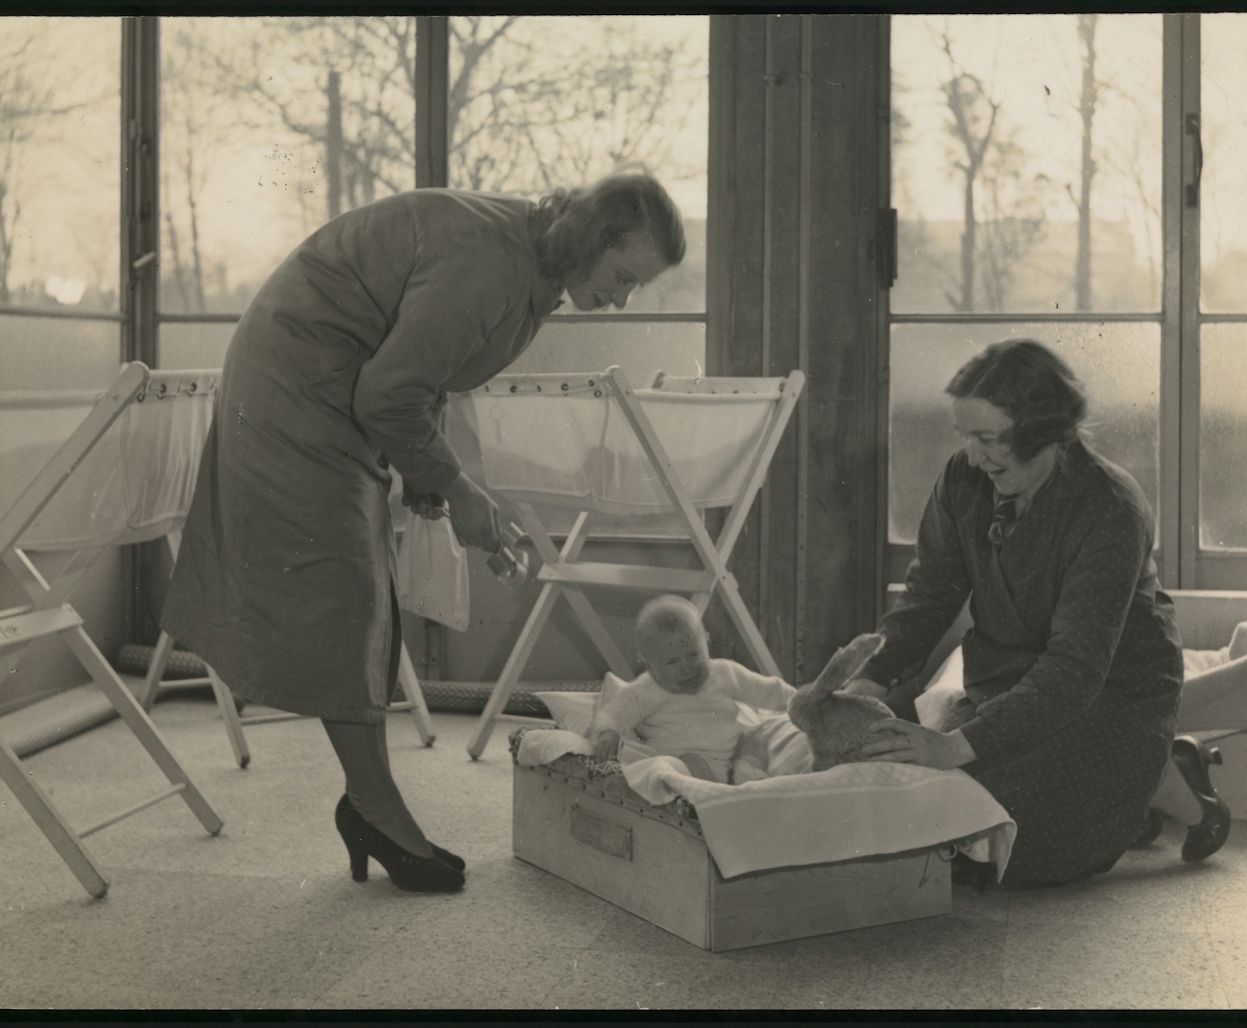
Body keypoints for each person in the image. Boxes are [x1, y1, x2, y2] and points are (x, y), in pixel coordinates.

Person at [161, 174, 685, 893]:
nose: (623, 298)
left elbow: (420, 373)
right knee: (343, 591)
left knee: (360, 594)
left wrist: (430, 474)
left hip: (338, 383)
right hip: (295, 378)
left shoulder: (532, 262)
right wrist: (457, 486)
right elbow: (389, 392)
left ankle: (368, 806)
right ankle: (374, 807)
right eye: (623, 277)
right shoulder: (493, 264)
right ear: (592, 241)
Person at [835, 339, 1230, 888]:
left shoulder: (1111, 506)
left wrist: (952, 746)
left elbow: (1073, 671)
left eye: (988, 439)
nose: (972, 456)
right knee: (954, 821)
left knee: (1001, 849)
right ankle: (1125, 794)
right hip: (1006, 682)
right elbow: (928, 597)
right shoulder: (964, 478)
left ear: (1045, 431)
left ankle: (1167, 776)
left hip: (1111, 693)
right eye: (965, 437)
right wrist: (867, 683)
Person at [591, 595, 795, 783]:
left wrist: (799, 699)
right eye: (672, 662)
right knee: (684, 763)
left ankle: (745, 779)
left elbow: (770, 691)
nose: (687, 668)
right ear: (648, 663)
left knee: (755, 740)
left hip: (729, 759)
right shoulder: (645, 690)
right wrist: (608, 733)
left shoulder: (725, 673)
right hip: (684, 763)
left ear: (706, 641)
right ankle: (709, 794)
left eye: (694, 655)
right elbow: (614, 713)